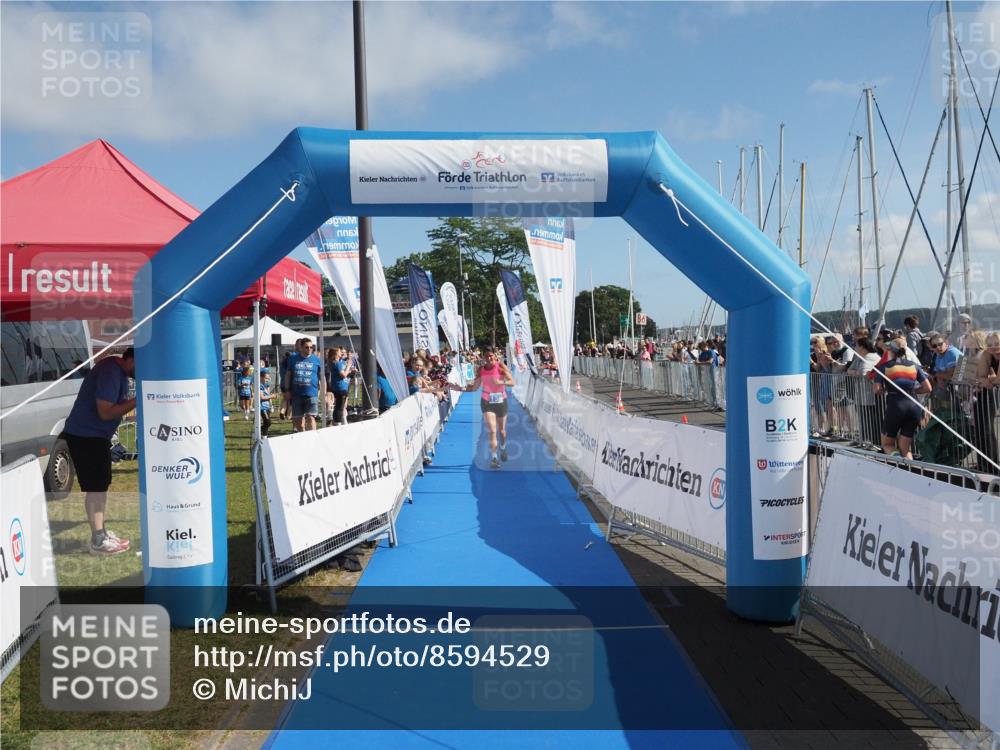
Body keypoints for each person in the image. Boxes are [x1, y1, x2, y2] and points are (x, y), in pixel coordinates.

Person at [60, 348, 136, 555]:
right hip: (86, 436)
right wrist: (138, 400)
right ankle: (98, 540)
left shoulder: (116, 372)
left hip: (93, 436)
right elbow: (105, 412)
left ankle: (101, 533)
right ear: (130, 359)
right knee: (96, 487)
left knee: (100, 485)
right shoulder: (110, 371)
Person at [449, 347, 514, 469]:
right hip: (486, 401)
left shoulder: (500, 367)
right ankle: (494, 458)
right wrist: (460, 388)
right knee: (492, 430)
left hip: (501, 401)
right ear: (483, 357)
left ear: (495, 356)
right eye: (486, 356)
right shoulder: (481, 370)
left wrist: (501, 382)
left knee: (501, 431)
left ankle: (503, 447)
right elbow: (474, 387)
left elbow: (512, 382)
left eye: (491, 356)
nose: (489, 358)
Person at [873, 339, 932, 460]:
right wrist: (913, 391)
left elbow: (877, 389)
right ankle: (910, 468)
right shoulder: (914, 366)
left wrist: (885, 390)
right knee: (905, 448)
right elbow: (928, 388)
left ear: (890, 351)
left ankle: (899, 464)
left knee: (887, 444)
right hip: (914, 407)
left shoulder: (884, 367)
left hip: (896, 406)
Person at [284, 338, 324, 432]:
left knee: (311, 417)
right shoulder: (293, 358)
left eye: (311, 347)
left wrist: (324, 392)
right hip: (297, 394)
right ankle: (303, 436)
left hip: (312, 394)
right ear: (301, 347)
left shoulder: (317, 360)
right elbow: (288, 375)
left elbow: (322, 377)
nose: (309, 349)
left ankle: (313, 437)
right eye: (306, 347)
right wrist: (287, 390)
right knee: (299, 421)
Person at [974, 332, 1000, 473]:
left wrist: (989, 379)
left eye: (997, 343)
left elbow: (996, 380)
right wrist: (989, 379)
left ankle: (993, 465)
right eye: (989, 344)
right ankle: (988, 465)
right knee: (984, 429)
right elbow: (981, 376)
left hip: (992, 393)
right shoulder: (986, 354)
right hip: (989, 392)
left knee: (987, 429)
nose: (993, 347)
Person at [329, 347, 354, 425]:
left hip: (341, 387)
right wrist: (348, 366)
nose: (342, 353)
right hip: (340, 387)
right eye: (340, 352)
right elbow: (343, 375)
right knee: (339, 407)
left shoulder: (337, 362)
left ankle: (339, 421)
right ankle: (337, 422)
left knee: (340, 406)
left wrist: (350, 371)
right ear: (336, 353)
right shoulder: (336, 363)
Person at [259, 372, 273, 438]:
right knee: (268, 422)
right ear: (261, 377)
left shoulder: (266, 386)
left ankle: (264, 437)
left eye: (268, 378)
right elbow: (261, 397)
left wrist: (271, 406)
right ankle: (258, 431)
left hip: (267, 407)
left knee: (266, 423)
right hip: (262, 407)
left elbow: (269, 396)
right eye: (266, 378)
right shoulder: (260, 386)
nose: (267, 380)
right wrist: (272, 396)